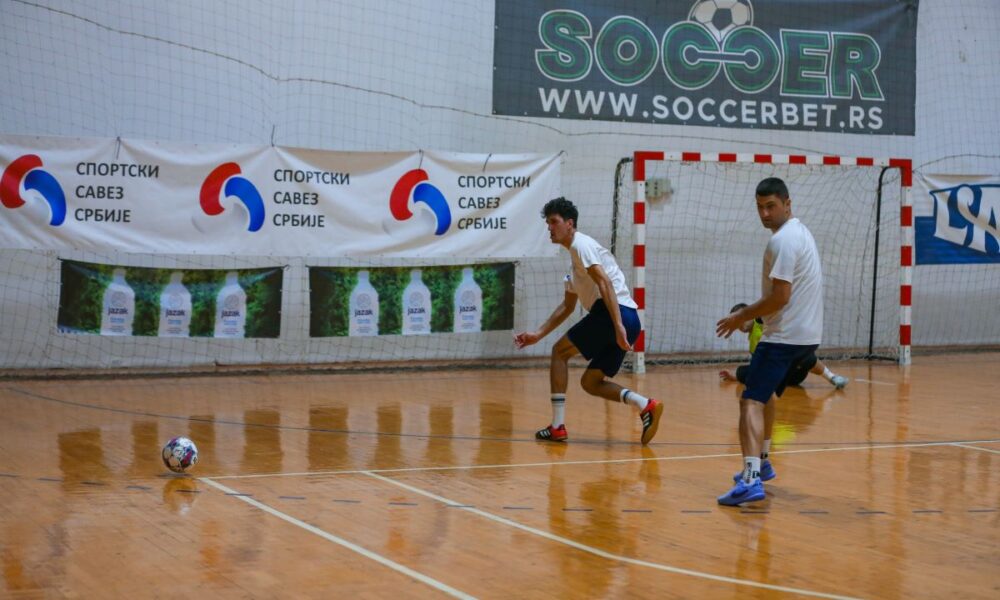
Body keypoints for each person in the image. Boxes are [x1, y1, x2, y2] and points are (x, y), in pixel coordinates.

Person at [514, 197, 663, 445]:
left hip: (613, 314)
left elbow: (605, 282)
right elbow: (567, 307)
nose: (549, 227)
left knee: (559, 353)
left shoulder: (581, 245)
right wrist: (537, 334)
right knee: (591, 382)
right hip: (629, 318)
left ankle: (557, 427)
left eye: (554, 221)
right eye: (547, 223)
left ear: (569, 223)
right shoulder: (574, 265)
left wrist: (617, 326)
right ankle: (646, 405)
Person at [715, 177, 824, 506]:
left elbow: (780, 297)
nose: (764, 213)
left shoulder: (783, 241)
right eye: (760, 207)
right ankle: (762, 462)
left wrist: (740, 316)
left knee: (750, 401)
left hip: (784, 338)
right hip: (806, 338)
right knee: (764, 396)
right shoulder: (800, 232)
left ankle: (751, 480)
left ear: (787, 204)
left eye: (771, 206)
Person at [719, 302, 848, 390]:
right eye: (736, 321)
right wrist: (736, 377)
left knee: (803, 354)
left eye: (741, 318)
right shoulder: (752, 343)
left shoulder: (761, 320)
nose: (740, 323)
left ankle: (832, 377)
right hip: (779, 378)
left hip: (794, 371)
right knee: (742, 371)